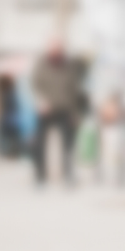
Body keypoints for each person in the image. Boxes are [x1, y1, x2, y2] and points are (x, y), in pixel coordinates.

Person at [31, 43, 82, 183]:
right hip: (46, 109)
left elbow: (74, 90)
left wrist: (75, 112)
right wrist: (40, 100)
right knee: (39, 143)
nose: (57, 52)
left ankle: (68, 174)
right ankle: (40, 175)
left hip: (65, 109)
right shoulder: (42, 64)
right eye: (54, 49)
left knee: (68, 143)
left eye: (60, 50)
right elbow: (35, 84)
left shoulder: (68, 65)